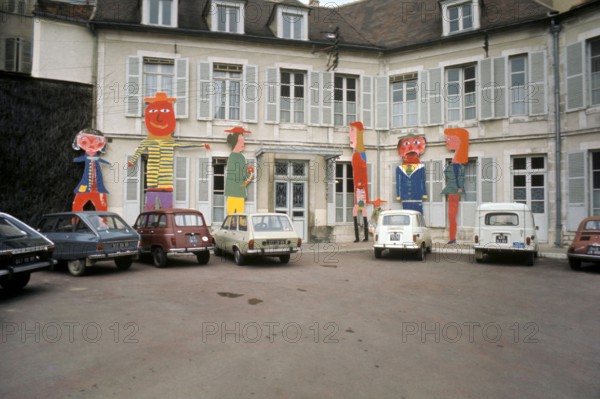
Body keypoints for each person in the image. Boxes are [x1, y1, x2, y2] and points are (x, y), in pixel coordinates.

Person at [128, 92, 210, 211]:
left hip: (166, 183)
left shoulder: (169, 142)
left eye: (165, 112)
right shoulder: (148, 141)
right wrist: (132, 161)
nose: (158, 118)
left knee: (167, 209)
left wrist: (201, 144)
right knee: (149, 208)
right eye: (154, 112)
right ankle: (147, 226)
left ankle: (163, 226)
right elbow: (138, 150)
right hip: (152, 181)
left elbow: (185, 145)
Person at [441, 128, 469, 244]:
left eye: (450, 138)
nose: (447, 141)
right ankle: (452, 238)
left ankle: (452, 238)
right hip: (453, 191)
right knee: (451, 215)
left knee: (452, 215)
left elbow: (458, 179)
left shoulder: (457, 164)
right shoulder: (455, 162)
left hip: (454, 192)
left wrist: (458, 187)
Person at [72, 128, 111, 211]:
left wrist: (107, 163)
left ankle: (102, 223)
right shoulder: (87, 157)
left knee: (102, 207)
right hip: (85, 186)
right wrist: (76, 159)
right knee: (77, 205)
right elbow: (81, 159)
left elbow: (100, 160)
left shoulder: (96, 158)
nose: (91, 148)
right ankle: (75, 222)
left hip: (98, 188)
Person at [224, 126, 254, 214]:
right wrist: (248, 179)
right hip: (234, 193)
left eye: (243, 142)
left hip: (238, 193)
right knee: (233, 217)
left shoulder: (241, 157)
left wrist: (249, 177)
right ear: (236, 142)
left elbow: (244, 176)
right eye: (241, 142)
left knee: (238, 217)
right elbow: (238, 177)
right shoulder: (234, 157)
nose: (243, 144)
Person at [395, 133, 427, 214]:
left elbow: (422, 181)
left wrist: (424, 193)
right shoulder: (399, 168)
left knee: (419, 213)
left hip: (417, 195)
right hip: (405, 196)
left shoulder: (420, 167)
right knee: (406, 213)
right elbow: (398, 183)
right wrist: (398, 194)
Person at [349, 121, 369, 242]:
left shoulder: (359, 154)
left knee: (358, 211)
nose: (349, 135)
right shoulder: (358, 153)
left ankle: (362, 237)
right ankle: (362, 237)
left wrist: (360, 185)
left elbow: (362, 172)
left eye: (351, 131)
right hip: (359, 189)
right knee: (358, 211)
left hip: (360, 190)